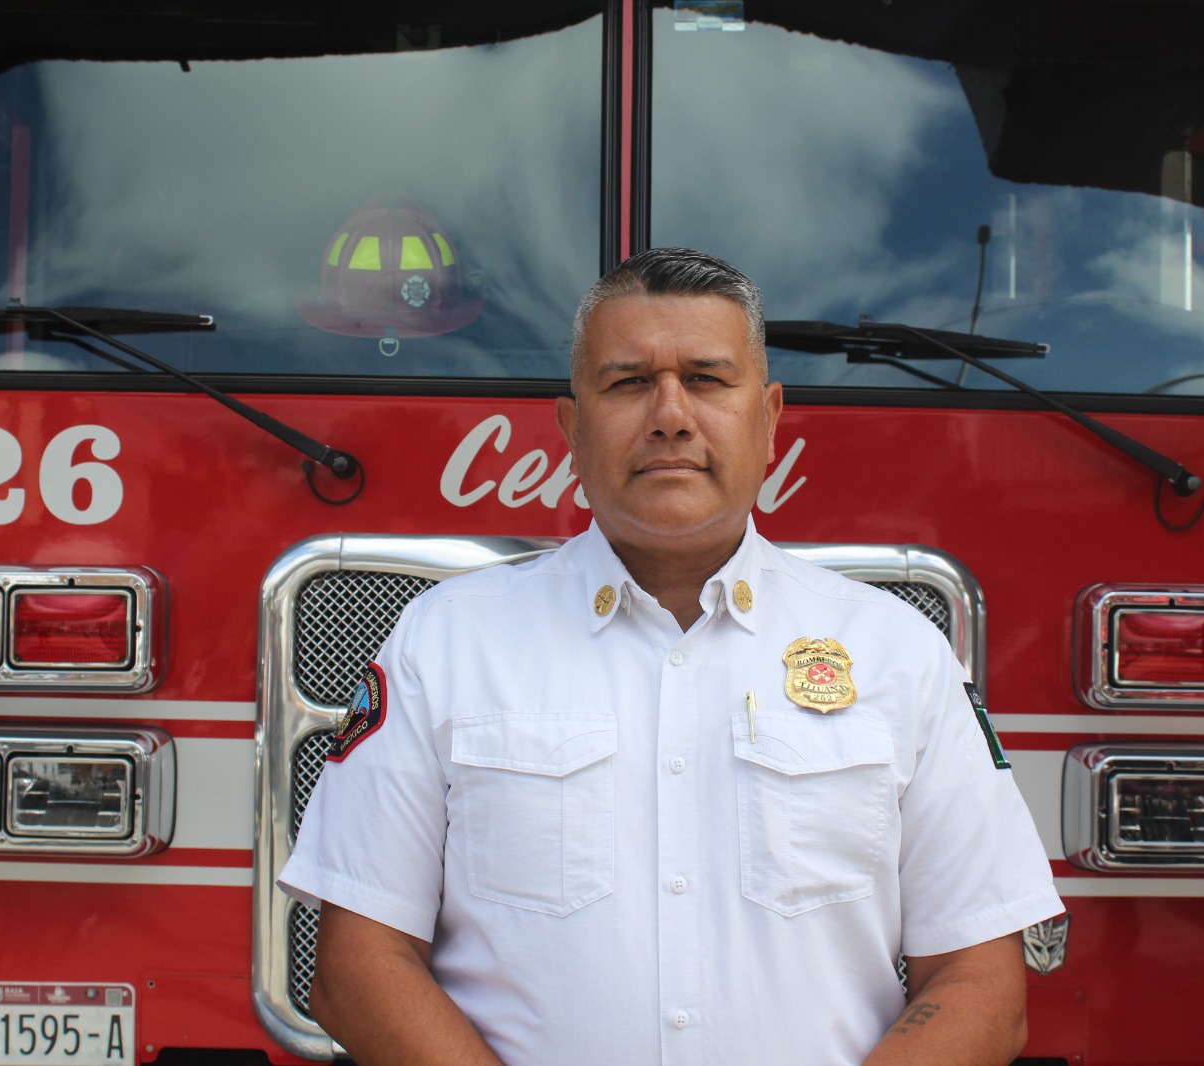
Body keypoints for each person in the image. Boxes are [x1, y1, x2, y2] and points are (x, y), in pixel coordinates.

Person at [277, 247, 1063, 1065]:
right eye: (626, 382)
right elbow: (357, 968)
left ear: (769, 418)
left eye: (709, 379)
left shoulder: (904, 657)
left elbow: (982, 983)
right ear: (571, 428)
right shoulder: (443, 644)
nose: (670, 415)